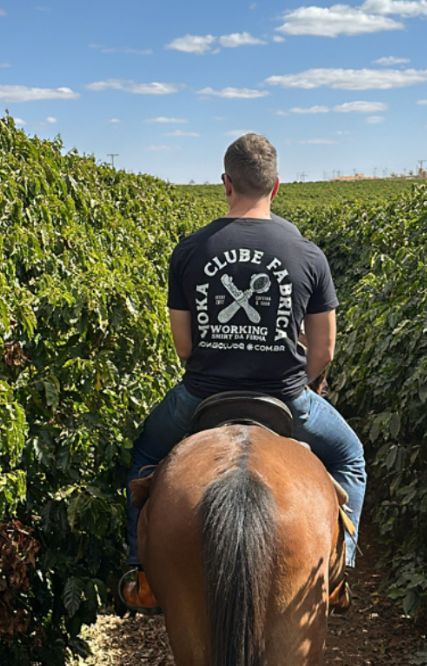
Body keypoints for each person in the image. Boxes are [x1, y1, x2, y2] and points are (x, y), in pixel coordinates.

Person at [122, 133, 366, 610]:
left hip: (201, 395)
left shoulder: (190, 251)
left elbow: (184, 345)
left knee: (145, 454)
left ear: (226, 183)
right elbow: (325, 349)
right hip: (288, 398)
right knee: (350, 457)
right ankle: (338, 576)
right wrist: (294, 380)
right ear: (276, 186)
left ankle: (143, 573)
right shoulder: (309, 255)